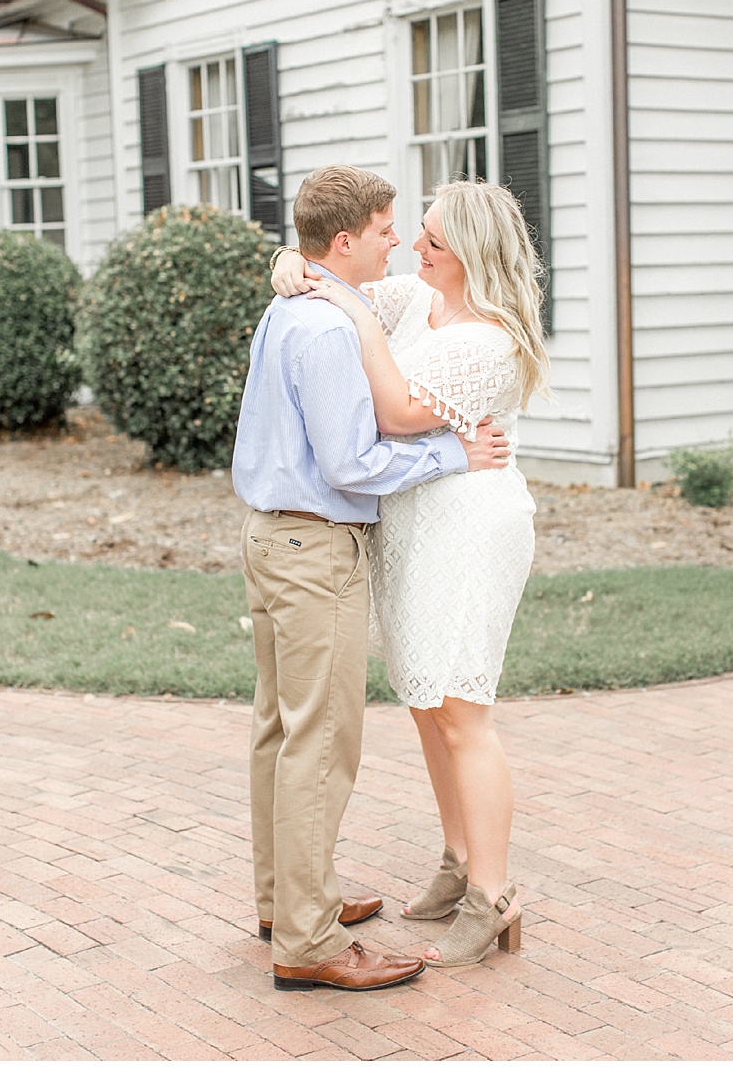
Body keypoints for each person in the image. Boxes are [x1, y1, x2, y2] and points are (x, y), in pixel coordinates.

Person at [233, 163, 512, 993]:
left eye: (418, 231)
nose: (404, 242)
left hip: (273, 536)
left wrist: (299, 261)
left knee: (280, 731)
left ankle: (287, 901)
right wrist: (451, 452)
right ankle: (311, 942)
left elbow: (356, 299)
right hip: (313, 547)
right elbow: (354, 461)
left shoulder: (296, 304)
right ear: (349, 240)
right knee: (320, 741)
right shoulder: (325, 327)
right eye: (393, 229)